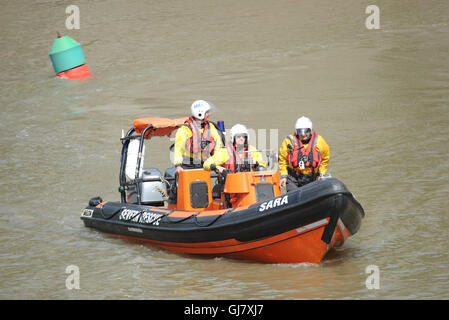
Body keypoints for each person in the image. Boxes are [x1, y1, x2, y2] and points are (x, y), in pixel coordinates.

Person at [173, 100, 224, 175]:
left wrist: (217, 163)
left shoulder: (211, 127)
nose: (209, 114)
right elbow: (178, 149)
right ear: (200, 114)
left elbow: (218, 146)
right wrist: (178, 165)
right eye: (207, 112)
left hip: (204, 164)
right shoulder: (185, 129)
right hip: (187, 165)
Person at [278, 116, 330, 191]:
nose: (303, 134)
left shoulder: (320, 141)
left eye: (306, 131)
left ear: (311, 130)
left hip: (312, 177)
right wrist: (283, 176)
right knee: (294, 195)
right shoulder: (289, 141)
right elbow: (282, 159)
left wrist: (321, 174)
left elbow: (325, 158)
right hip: (293, 177)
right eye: (300, 131)